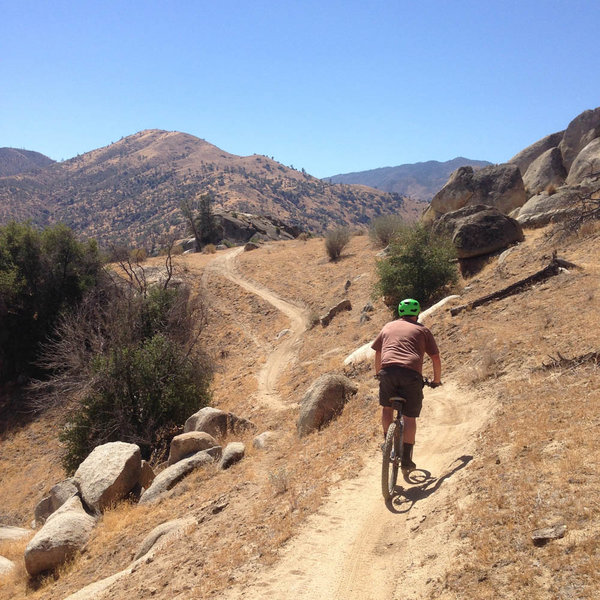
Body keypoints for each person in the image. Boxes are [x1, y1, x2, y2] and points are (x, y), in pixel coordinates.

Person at [371, 298, 442, 470]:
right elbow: (435, 358)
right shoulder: (423, 330)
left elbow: (378, 352)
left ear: (400, 313)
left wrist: (378, 373)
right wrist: (436, 380)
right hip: (411, 375)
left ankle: (387, 445)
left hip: (387, 372)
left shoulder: (388, 327)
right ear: (417, 314)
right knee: (409, 418)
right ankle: (406, 460)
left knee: (387, 409)